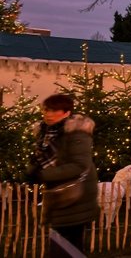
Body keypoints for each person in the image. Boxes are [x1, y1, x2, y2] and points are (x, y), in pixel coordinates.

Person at [27, 94, 99, 253]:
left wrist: (43, 175)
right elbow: (42, 157)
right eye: (46, 110)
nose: (48, 114)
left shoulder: (77, 133)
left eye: (54, 110)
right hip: (58, 193)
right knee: (64, 244)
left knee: (67, 243)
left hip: (75, 194)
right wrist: (32, 171)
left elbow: (79, 165)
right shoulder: (47, 131)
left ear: (66, 112)